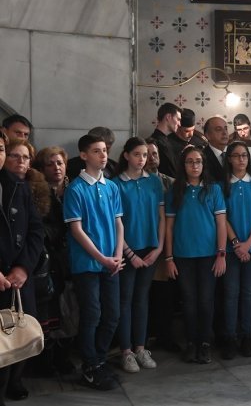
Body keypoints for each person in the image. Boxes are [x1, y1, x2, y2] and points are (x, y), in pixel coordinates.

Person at [63, 134, 125, 390]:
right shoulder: (75, 189)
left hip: (112, 263)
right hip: (87, 264)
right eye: (97, 151)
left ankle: (99, 359)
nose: (103, 155)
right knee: (92, 314)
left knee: (112, 315)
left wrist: (118, 255)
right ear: (84, 155)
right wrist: (102, 258)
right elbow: (77, 230)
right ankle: (89, 366)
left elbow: (118, 223)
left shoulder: (111, 187)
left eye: (105, 151)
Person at [164, 146, 227, 364]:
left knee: (206, 300)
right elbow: (168, 227)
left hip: (209, 255)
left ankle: (205, 343)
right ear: (183, 165)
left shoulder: (213, 190)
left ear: (203, 164)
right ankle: (192, 343)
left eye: (198, 161)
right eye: (190, 162)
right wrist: (169, 258)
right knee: (189, 301)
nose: (194, 165)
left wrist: (221, 254)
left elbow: (221, 224)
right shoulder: (175, 191)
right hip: (183, 255)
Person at [112, 137, 165, 373]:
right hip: (127, 250)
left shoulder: (154, 181)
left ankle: (141, 348)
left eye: (145, 155)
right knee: (125, 299)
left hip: (150, 248)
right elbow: (116, 223)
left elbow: (162, 217)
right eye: (137, 154)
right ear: (126, 155)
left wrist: (159, 248)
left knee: (142, 298)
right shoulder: (116, 184)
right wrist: (129, 253)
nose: (142, 159)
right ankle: (126, 351)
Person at [0, 132, 44, 403]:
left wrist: (24, 268)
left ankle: (13, 382)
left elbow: (36, 231)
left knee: (18, 333)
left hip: (16, 276)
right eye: (12, 154)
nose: (19, 161)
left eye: (1, 148)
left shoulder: (21, 187)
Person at [32, 146, 77, 376]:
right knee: (50, 311)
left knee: (72, 309)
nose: (56, 168)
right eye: (50, 164)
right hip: (48, 260)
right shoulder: (37, 192)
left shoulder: (74, 189)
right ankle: (45, 361)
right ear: (42, 168)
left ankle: (64, 355)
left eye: (59, 163)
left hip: (73, 257)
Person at [221, 141, 251, 359]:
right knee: (231, 294)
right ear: (229, 159)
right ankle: (229, 338)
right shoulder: (222, 185)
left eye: (245, 156)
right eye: (237, 156)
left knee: (249, 293)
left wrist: (248, 244)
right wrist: (236, 243)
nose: (241, 159)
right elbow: (223, 218)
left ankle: (247, 336)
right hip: (231, 248)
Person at [143, 138, 178, 352]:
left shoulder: (171, 183)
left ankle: (166, 336)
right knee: (145, 294)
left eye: (154, 153)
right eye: (146, 154)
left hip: (167, 247)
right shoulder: (135, 182)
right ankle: (145, 336)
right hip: (144, 244)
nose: (151, 158)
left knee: (166, 294)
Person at [150, 102, 182, 178]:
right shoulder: (153, 143)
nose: (179, 124)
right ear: (168, 117)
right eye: (178, 119)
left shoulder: (167, 141)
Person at [202, 115, 229, 182]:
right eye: (218, 129)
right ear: (208, 135)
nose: (224, 133)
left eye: (225, 128)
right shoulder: (202, 157)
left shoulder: (235, 152)